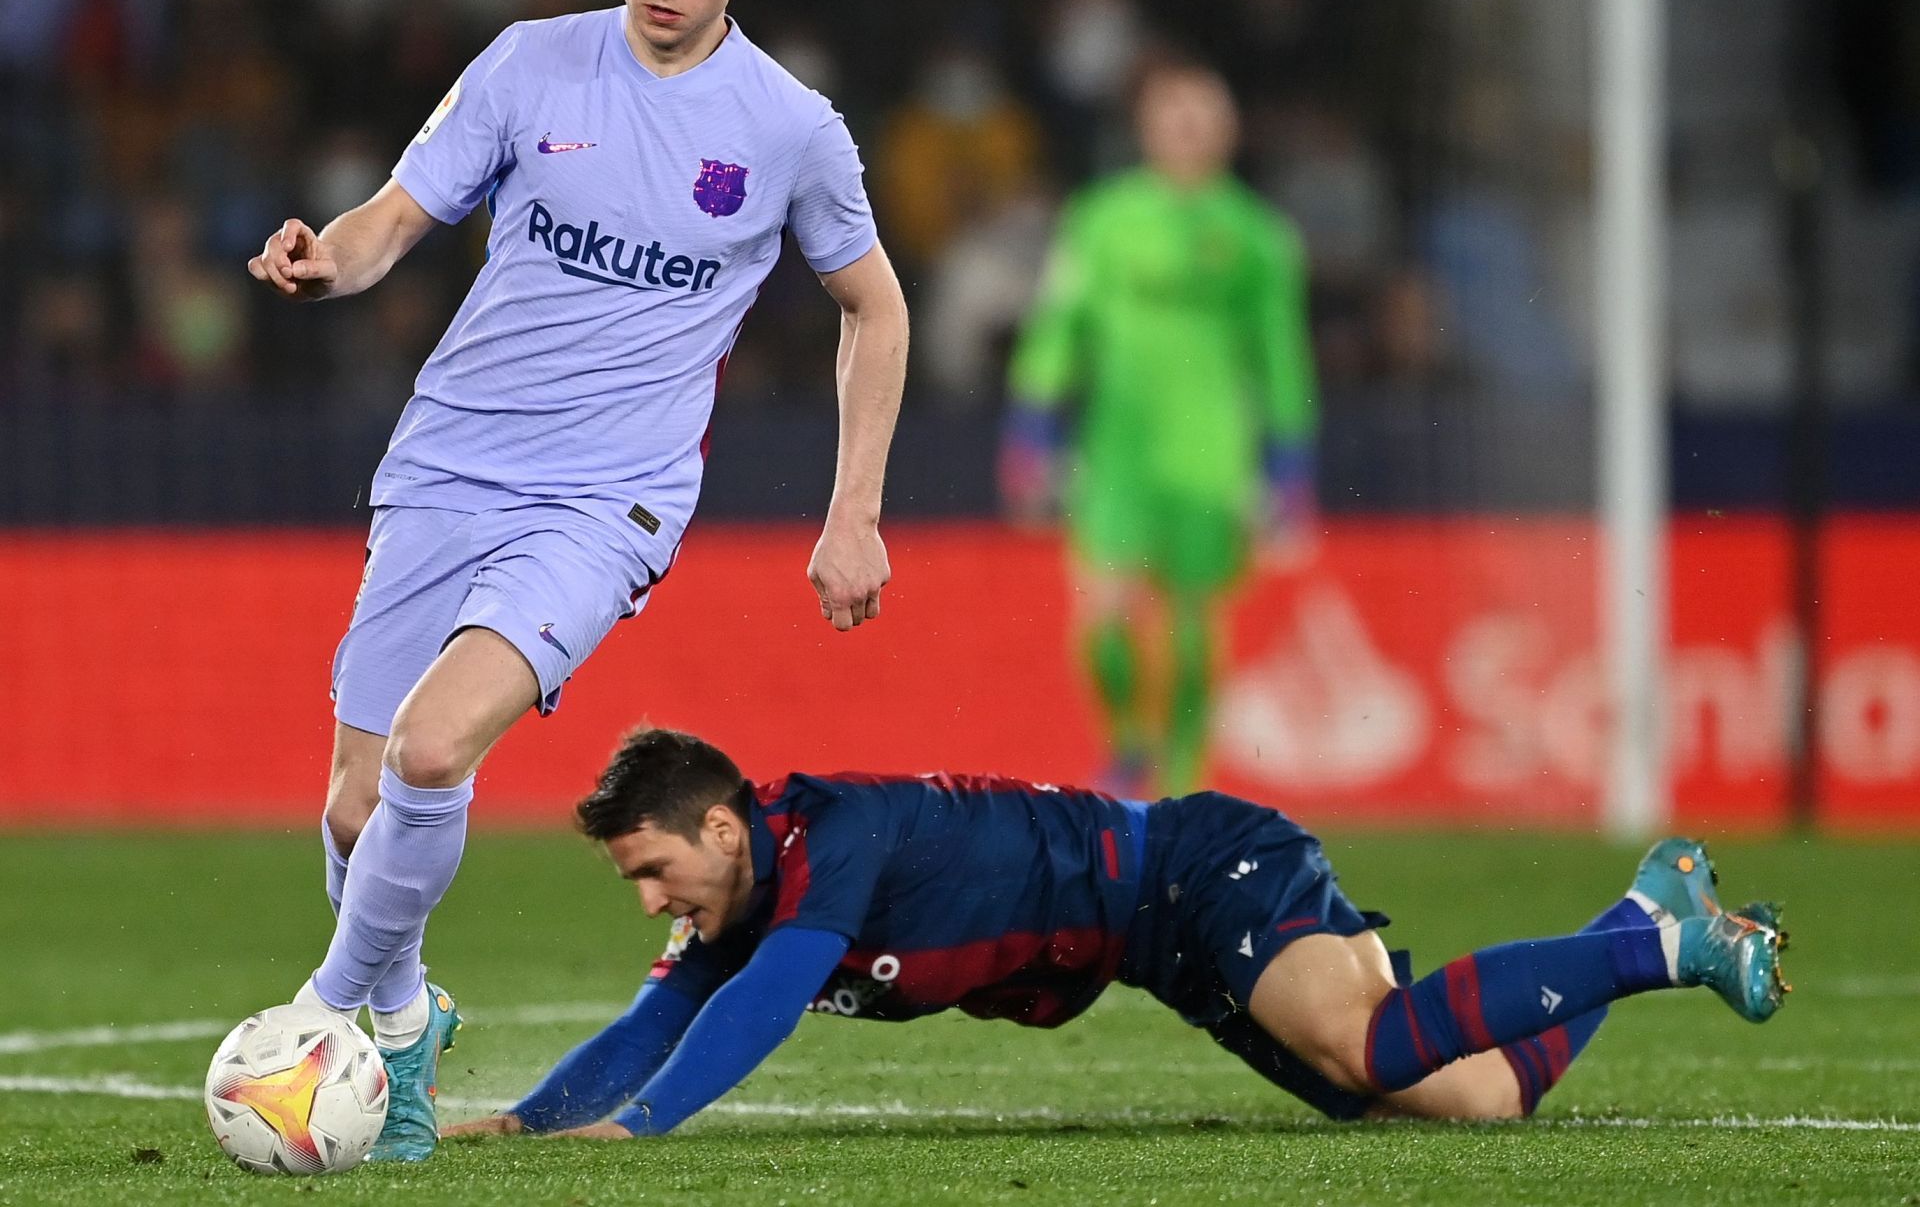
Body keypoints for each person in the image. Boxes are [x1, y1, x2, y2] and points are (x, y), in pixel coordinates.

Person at [244, 0, 908, 1162]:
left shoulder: (790, 129)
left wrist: (854, 510)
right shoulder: (530, 67)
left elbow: (874, 310)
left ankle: (322, 1019)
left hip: (609, 499)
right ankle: (406, 1015)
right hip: (446, 460)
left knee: (436, 747)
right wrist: (331, 258)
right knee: (357, 807)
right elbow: (392, 222)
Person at [445, 728, 1789, 1143]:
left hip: (1198, 871)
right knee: (1481, 1098)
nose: (649, 897)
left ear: (723, 829)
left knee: (1377, 1044)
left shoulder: (826, 841)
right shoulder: (738, 897)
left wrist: (638, 1132)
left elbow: (768, 999)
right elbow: (659, 1012)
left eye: (653, 866)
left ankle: (1663, 941)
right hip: (1162, 947)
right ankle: (1640, 915)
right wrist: (522, 1122)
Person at [1000, 61, 1315, 797]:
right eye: (1174, 114)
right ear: (1147, 127)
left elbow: (1282, 357)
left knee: (1192, 616)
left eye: (1203, 115)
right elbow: (1058, 323)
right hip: (1117, 449)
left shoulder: (1259, 237)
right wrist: (1031, 425)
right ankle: (1129, 743)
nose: (1187, 128)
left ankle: (1183, 770)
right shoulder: (1101, 220)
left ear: (1229, 130)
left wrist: (1291, 463)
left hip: (1212, 450)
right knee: (1103, 610)